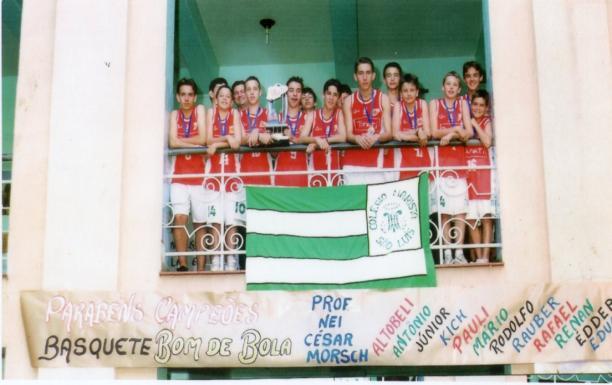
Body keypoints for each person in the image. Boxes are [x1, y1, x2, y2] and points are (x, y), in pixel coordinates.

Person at [429, 71, 473, 265]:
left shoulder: (462, 104)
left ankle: (459, 253)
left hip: (459, 163)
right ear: (442, 86)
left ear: (459, 88)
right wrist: (455, 130)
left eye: (455, 84)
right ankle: (447, 253)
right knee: (445, 212)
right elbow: (433, 131)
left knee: (460, 211)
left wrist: (452, 134)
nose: (451, 87)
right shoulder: (434, 104)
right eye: (448, 84)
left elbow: (469, 132)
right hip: (442, 165)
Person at [168, 78, 207, 272]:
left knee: (200, 222)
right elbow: (172, 143)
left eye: (190, 94)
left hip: (200, 176)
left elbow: (204, 138)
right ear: (177, 96)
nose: (186, 98)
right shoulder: (174, 114)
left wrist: (181, 140)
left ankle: (200, 268)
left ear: (194, 96)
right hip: (179, 177)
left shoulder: (199, 110)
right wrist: (194, 144)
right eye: (183, 94)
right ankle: (183, 264)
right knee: (180, 218)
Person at [205, 85, 243, 271]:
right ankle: (215, 261)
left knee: (231, 221)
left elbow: (236, 143)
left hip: (232, 176)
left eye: (229, 96)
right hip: (213, 176)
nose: (225, 99)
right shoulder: (210, 113)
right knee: (216, 220)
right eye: (222, 96)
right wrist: (227, 139)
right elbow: (206, 140)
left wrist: (224, 138)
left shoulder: (235, 114)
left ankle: (231, 261)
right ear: (216, 97)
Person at [342, 57, 392, 185]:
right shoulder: (349, 101)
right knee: (354, 205)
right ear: (355, 76)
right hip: (352, 165)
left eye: (368, 73)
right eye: (361, 73)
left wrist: (376, 137)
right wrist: (356, 138)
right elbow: (348, 134)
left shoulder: (383, 99)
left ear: (374, 76)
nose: (364, 77)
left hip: (376, 165)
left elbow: (389, 133)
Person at [465, 89, 494, 263]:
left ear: (486, 107)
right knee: (471, 217)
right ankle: (477, 257)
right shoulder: (465, 121)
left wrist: (475, 124)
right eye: (475, 104)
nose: (477, 108)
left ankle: (485, 256)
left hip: (484, 173)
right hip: (468, 172)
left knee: (486, 216)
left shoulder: (486, 121)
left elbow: (487, 141)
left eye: (481, 105)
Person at [299, 79, 346, 186]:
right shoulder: (313, 115)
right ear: (323, 95)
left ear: (338, 98)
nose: (331, 98)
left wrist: (323, 141)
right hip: (315, 172)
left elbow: (343, 136)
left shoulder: (339, 113)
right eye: (328, 93)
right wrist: (316, 139)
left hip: (335, 172)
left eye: (335, 95)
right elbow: (302, 137)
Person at [274, 76, 312, 187]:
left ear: (301, 95)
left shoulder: (309, 118)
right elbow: (273, 153)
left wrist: (292, 138)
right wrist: (278, 138)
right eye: (291, 90)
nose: (295, 94)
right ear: (285, 94)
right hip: (280, 176)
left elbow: (313, 146)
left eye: (298, 91)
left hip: (303, 176)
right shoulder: (277, 119)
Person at [393, 73, 431, 180]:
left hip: (423, 160)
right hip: (404, 162)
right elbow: (395, 134)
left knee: (424, 194)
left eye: (412, 90)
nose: (409, 94)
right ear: (400, 93)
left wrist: (405, 136)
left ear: (417, 92)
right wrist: (417, 132)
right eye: (405, 91)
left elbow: (428, 133)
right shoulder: (398, 106)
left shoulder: (422, 104)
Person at [239, 76, 274, 186]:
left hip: (265, 172)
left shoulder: (270, 114)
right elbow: (240, 139)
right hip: (244, 171)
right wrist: (256, 135)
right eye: (248, 89)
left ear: (260, 92)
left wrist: (257, 134)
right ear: (245, 93)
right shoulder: (238, 115)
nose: (252, 92)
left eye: (255, 89)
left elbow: (273, 139)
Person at [382, 62, 403, 182]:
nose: (392, 78)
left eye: (396, 75)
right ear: (384, 80)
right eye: (389, 75)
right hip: (385, 152)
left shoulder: (407, 99)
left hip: (404, 150)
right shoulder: (379, 101)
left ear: (400, 78)